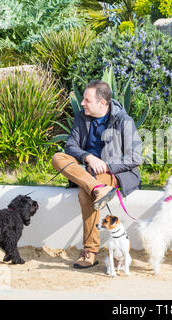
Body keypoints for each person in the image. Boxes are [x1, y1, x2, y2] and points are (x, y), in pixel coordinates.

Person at [52, 80, 143, 269]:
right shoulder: (81, 117)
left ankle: (90, 252)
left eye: (87, 100)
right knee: (58, 157)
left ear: (102, 103)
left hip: (112, 171)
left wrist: (106, 165)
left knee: (85, 194)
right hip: (87, 170)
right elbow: (71, 146)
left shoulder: (124, 120)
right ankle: (97, 189)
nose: (82, 103)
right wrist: (88, 157)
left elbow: (135, 157)